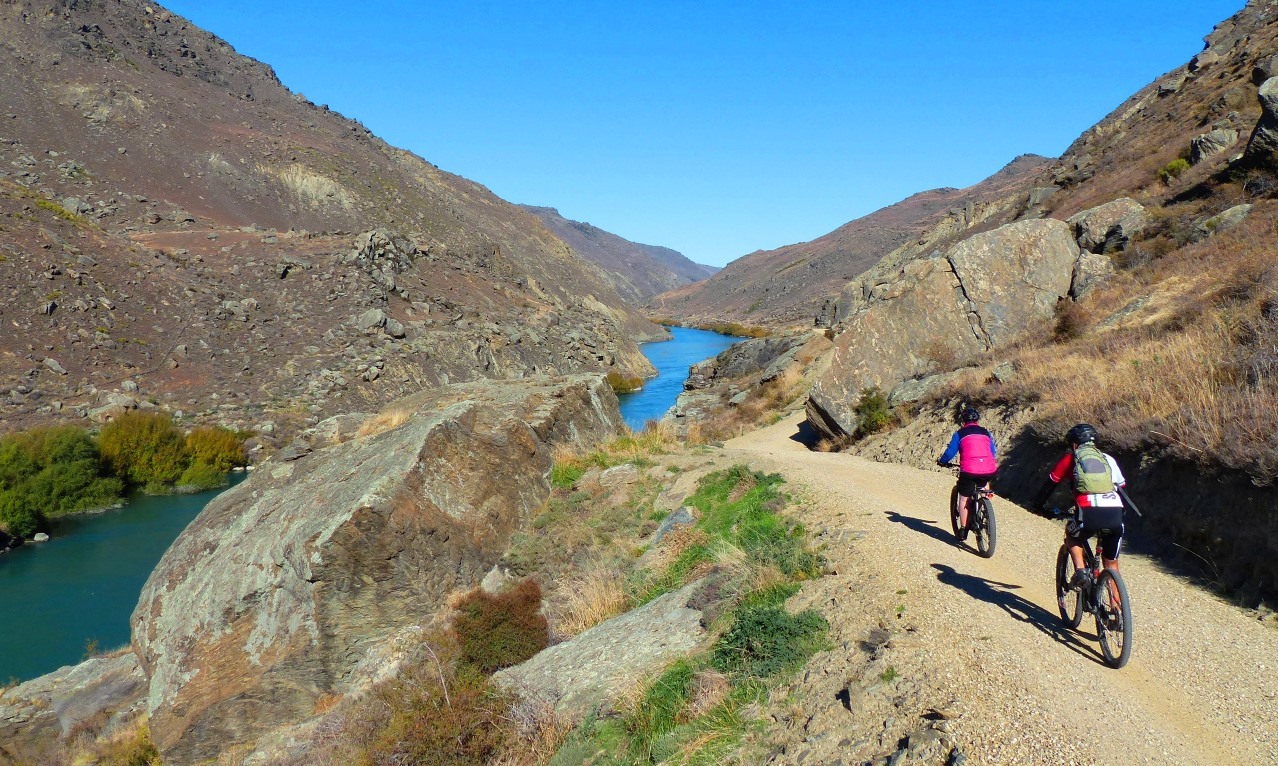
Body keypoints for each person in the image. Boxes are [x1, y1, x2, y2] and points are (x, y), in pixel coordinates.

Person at [1033, 423, 1127, 591]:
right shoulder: (1108, 459)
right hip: (1115, 514)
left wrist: (1038, 506)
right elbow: (1122, 486)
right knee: (1111, 565)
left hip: (1088, 513)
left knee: (1071, 533)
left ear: (1074, 444)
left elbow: (1050, 484)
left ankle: (1081, 571)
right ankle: (1117, 611)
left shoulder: (1071, 459)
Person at [935, 406, 997, 540]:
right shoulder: (986, 433)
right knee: (984, 482)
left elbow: (950, 452)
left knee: (964, 497)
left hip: (969, 471)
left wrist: (942, 461)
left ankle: (963, 530)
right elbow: (993, 452)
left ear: (963, 420)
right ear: (978, 420)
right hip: (989, 469)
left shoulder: (960, 434)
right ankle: (985, 503)